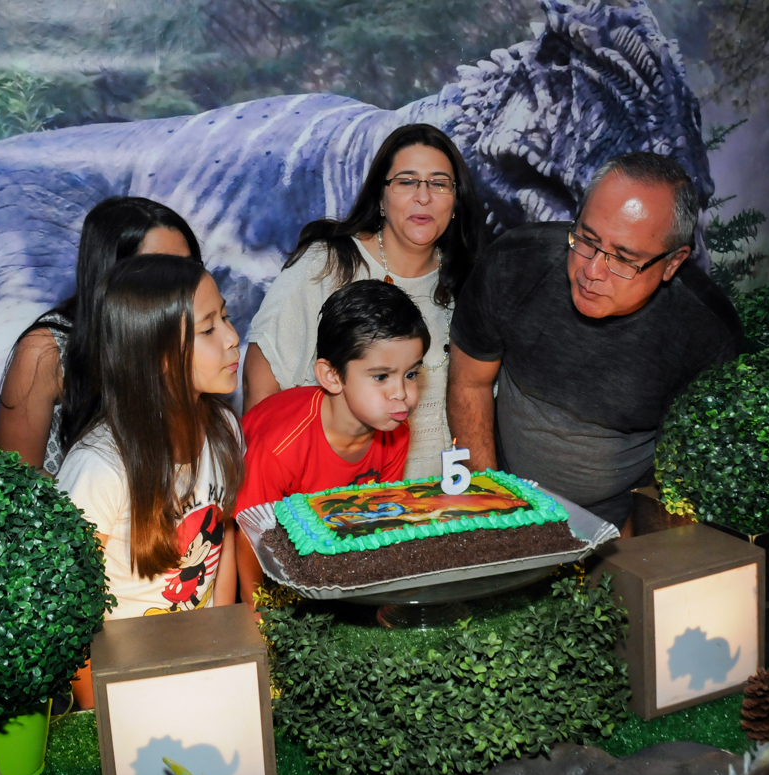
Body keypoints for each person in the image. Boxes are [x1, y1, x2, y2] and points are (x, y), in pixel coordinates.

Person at [448, 152, 744, 529]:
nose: (591, 271)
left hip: (623, 522)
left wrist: (634, 556)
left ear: (672, 262)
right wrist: (493, 510)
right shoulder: (513, 264)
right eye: (586, 239)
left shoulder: (706, 333)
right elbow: (470, 384)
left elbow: (685, 474)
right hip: (508, 495)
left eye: (623, 258)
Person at [242, 123, 484, 480]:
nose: (423, 197)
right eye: (406, 181)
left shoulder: (469, 281)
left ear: (455, 200)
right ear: (380, 198)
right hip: (334, 503)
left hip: (441, 502)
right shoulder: (327, 264)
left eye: (439, 183)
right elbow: (262, 388)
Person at [55, 254, 243, 618]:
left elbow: (225, 539)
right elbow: (65, 604)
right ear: (156, 355)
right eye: (208, 329)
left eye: (226, 316)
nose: (233, 338)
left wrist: (225, 639)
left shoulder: (224, 429)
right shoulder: (99, 467)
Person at [235, 281, 429, 601]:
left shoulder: (396, 432)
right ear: (331, 376)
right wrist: (261, 617)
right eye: (381, 376)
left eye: (411, 374)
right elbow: (249, 538)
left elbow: (378, 517)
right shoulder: (280, 447)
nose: (402, 394)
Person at [0, 197, 200, 476]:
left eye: (188, 268)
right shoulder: (46, 350)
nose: (179, 284)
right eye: (158, 272)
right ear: (111, 274)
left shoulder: (196, 337)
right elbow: (15, 478)